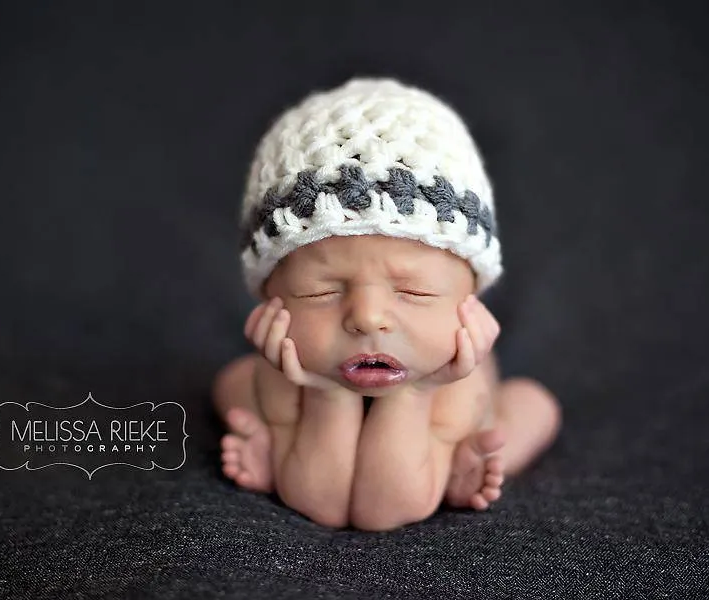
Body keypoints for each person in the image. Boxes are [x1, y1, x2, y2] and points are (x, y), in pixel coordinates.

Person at [213, 78, 561, 531]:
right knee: (235, 382)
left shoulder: (458, 381)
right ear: (269, 296)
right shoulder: (283, 371)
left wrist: (417, 393)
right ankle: (279, 441)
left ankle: (466, 461)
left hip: (454, 400)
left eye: (414, 292)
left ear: (470, 299)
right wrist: (325, 392)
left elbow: (386, 509)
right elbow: (324, 504)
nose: (368, 317)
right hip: (299, 381)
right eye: (322, 291)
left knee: (533, 405)